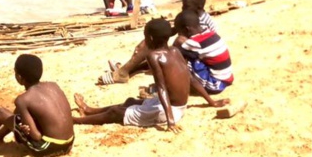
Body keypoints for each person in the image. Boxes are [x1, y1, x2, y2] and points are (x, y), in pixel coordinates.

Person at [73, 19, 232, 132]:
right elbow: (190, 78)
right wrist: (211, 101)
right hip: (176, 106)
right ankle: (89, 110)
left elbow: (161, 88)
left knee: (116, 113)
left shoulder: (154, 57)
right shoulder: (175, 51)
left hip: (167, 111)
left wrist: (170, 121)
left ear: (149, 38)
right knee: (130, 102)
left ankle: (77, 121)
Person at [173, 10, 234, 96]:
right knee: (192, 55)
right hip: (226, 78)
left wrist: (178, 39)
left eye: (180, 32)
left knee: (183, 59)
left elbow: (173, 52)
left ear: (187, 29)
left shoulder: (195, 43)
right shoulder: (211, 33)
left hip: (215, 85)